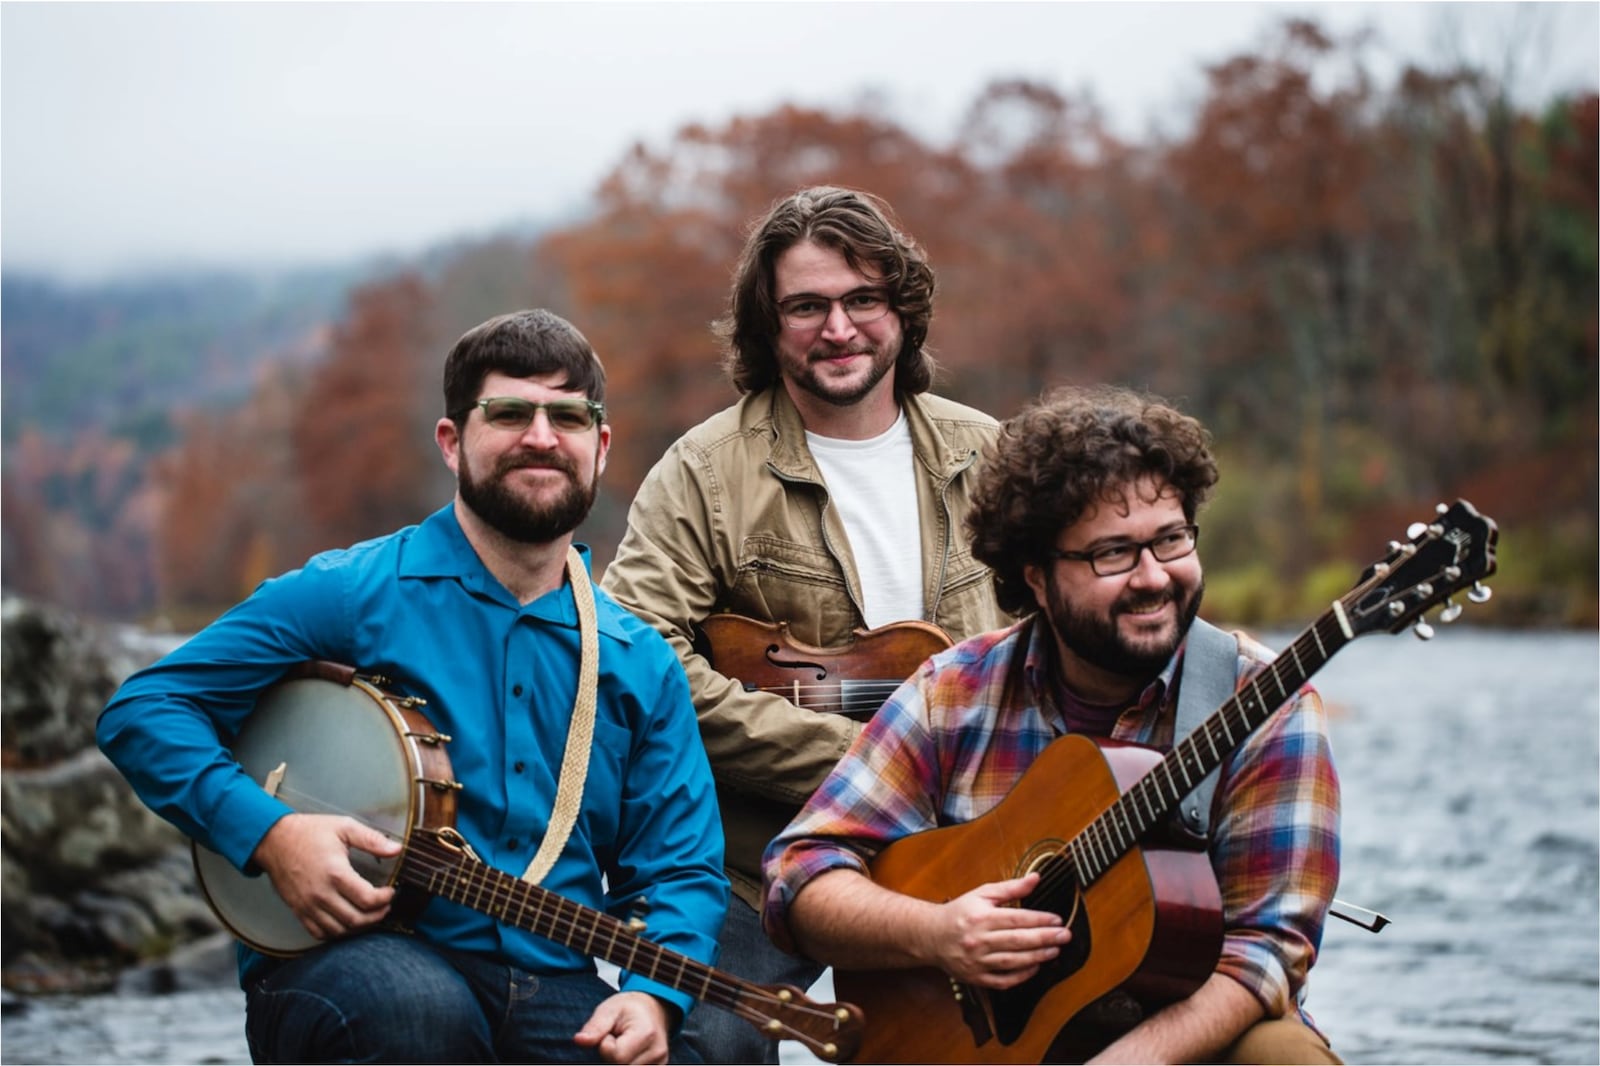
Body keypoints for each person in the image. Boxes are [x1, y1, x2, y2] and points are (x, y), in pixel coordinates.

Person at [98, 309, 728, 1065]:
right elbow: (146, 710)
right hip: (352, 960)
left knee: (697, 1054)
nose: (540, 435)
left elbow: (679, 866)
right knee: (418, 1014)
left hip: (551, 977)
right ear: (452, 441)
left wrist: (653, 995)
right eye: (509, 413)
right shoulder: (351, 592)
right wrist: (270, 833)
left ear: (599, 445)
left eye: (567, 415)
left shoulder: (640, 660)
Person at [762, 384, 1343, 1064]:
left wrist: (1135, 1059)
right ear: (1036, 577)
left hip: (1186, 1035)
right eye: (1112, 554)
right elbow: (799, 874)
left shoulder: (1267, 703)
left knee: (1286, 1058)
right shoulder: (954, 691)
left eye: (1171, 539)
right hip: (989, 1043)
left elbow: (1268, 949)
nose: (1153, 577)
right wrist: (939, 932)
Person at [600, 185, 1008, 1063]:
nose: (840, 328)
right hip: (758, 862)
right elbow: (630, 655)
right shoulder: (704, 473)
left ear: (903, 309)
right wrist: (860, 766)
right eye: (807, 306)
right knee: (706, 1043)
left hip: (979, 850)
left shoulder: (993, 454)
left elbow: (1072, 624)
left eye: (864, 299)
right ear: (767, 324)